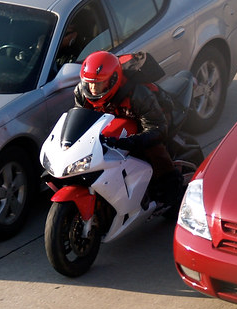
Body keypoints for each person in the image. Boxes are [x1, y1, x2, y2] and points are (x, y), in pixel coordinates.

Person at [75, 51, 185, 208]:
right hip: (117, 122)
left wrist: (133, 141)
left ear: (113, 79)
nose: (93, 88)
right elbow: (80, 119)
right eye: (89, 82)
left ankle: (173, 191)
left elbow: (158, 127)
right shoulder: (82, 92)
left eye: (99, 83)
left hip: (153, 119)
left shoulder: (138, 93)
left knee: (153, 148)